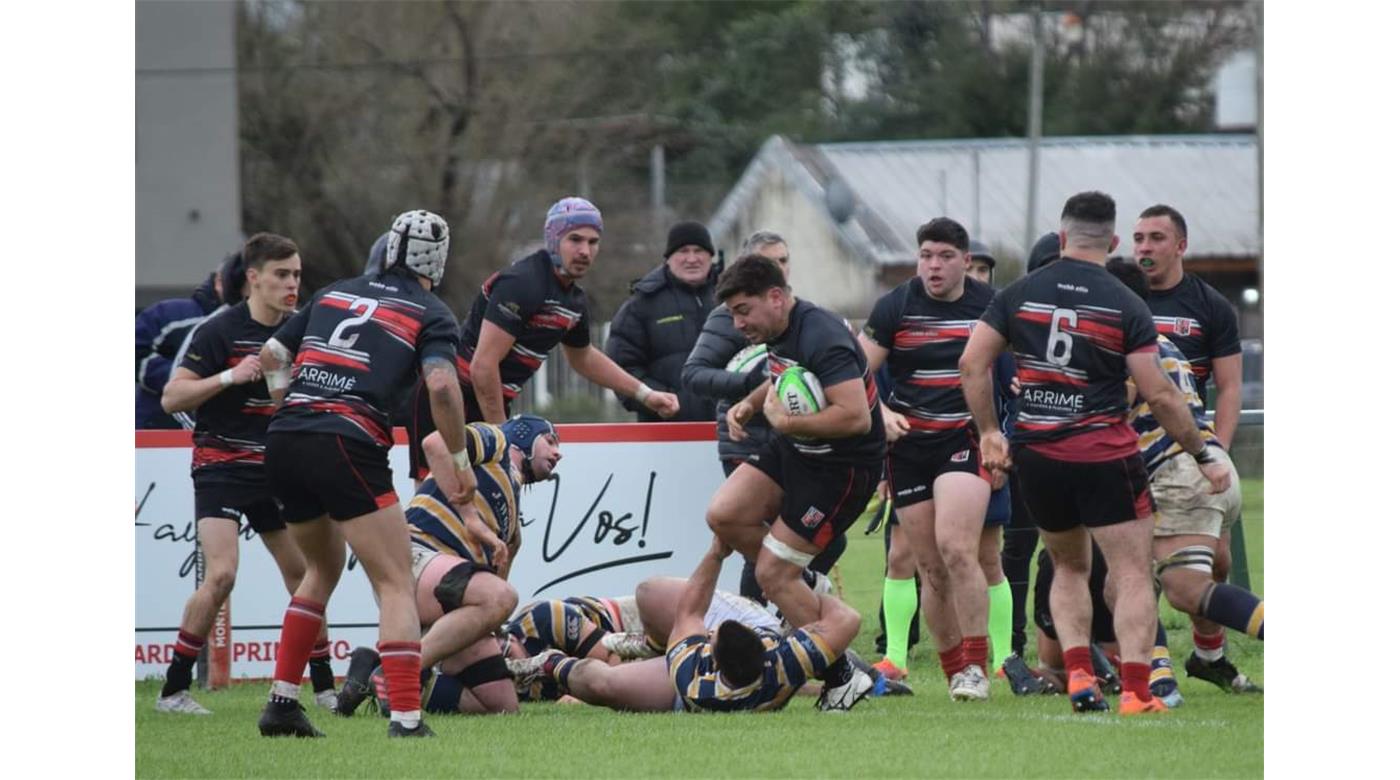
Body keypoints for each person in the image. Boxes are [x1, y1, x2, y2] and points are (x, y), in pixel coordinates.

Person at [960, 191, 1232, 716]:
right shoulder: (1126, 302)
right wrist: (1203, 453)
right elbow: (1158, 393)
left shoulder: (1018, 294)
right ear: (1112, 241)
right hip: (1103, 453)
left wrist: (990, 432)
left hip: (1038, 454)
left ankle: (1081, 676)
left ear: (1062, 237)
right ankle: (1136, 692)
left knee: (1068, 566)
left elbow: (972, 364)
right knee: (1130, 574)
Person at [256, 209, 473, 739]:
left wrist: (288, 403)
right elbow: (442, 387)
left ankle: (282, 704)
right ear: (438, 260)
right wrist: (459, 459)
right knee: (396, 580)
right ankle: (406, 718)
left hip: (286, 438)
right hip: (347, 440)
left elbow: (272, 352)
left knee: (320, 570)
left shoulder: (335, 291)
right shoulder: (431, 311)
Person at [154, 233, 334, 715]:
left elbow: (300, 399)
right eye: (281, 274)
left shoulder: (301, 330)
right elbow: (172, 397)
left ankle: (325, 689)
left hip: (277, 467)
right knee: (222, 575)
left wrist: (284, 384)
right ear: (253, 278)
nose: (292, 284)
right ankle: (173, 691)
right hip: (221, 466)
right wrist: (231, 376)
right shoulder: (218, 330)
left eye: (297, 275)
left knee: (306, 576)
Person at [706, 253, 884, 711]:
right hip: (798, 452)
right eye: (732, 314)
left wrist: (784, 424)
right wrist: (750, 403)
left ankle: (841, 677)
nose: (738, 324)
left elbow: (856, 417)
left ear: (775, 297)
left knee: (770, 573)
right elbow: (786, 376)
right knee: (725, 515)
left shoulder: (822, 335)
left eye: (743, 311)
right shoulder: (779, 330)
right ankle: (802, 581)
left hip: (841, 470)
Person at [407, 197, 679, 481]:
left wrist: (646, 394)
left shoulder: (574, 300)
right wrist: (504, 437)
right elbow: (483, 367)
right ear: (553, 239)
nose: (585, 251)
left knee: (487, 501)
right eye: (575, 239)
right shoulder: (523, 282)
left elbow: (583, 357)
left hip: (488, 401)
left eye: (593, 242)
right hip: (451, 399)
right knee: (438, 497)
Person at [334, 415, 564, 718]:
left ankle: (372, 670)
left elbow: (497, 570)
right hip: (414, 561)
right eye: (550, 441)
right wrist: (470, 518)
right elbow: (436, 444)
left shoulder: (510, 501)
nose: (558, 453)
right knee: (501, 597)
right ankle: (396, 675)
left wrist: (489, 626)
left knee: (501, 706)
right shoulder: (496, 439)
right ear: (524, 434)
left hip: (449, 592)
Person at [1105, 257, 1263, 696]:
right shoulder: (1161, 342)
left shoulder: (1123, 347)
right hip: (1208, 467)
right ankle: (1167, 674)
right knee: (1124, 580)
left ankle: (1159, 677)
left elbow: (1121, 404)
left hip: (1179, 473)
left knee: (1183, 588)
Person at [858, 217, 997, 700]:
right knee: (930, 567)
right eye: (925, 256)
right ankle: (955, 669)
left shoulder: (990, 306)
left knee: (958, 549)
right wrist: (882, 412)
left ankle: (977, 667)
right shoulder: (895, 305)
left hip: (963, 437)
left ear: (965, 261)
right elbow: (853, 372)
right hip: (909, 447)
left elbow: (1020, 369)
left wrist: (1001, 435)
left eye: (944, 257)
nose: (933, 266)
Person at [680, 230, 846, 606]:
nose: (779, 269)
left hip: (792, 441)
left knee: (830, 538)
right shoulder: (728, 319)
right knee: (764, 539)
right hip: (746, 441)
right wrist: (752, 388)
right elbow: (693, 374)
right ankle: (756, 621)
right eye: (770, 262)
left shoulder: (800, 318)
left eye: (784, 260)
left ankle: (792, 606)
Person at [1132, 204, 1251, 693]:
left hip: (1189, 449)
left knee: (1214, 565)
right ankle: (1156, 667)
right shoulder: (1122, 298)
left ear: (1181, 245)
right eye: (1138, 238)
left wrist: (1213, 452)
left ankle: (1208, 656)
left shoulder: (1209, 305)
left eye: (1156, 238)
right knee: (1140, 565)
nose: (1144, 248)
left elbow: (1229, 387)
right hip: (1142, 454)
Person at [606, 220, 721, 422]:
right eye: (683, 251)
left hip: (732, 428)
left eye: (699, 251)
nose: (692, 259)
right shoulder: (641, 304)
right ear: (668, 258)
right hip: (664, 431)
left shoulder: (734, 298)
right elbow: (621, 368)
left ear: (711, 256)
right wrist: (660, 400)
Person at [136, 267, 224, 428]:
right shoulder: (169, 313)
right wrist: (187, 378)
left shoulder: (254, 324)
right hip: (158, 425)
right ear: (219, 281)